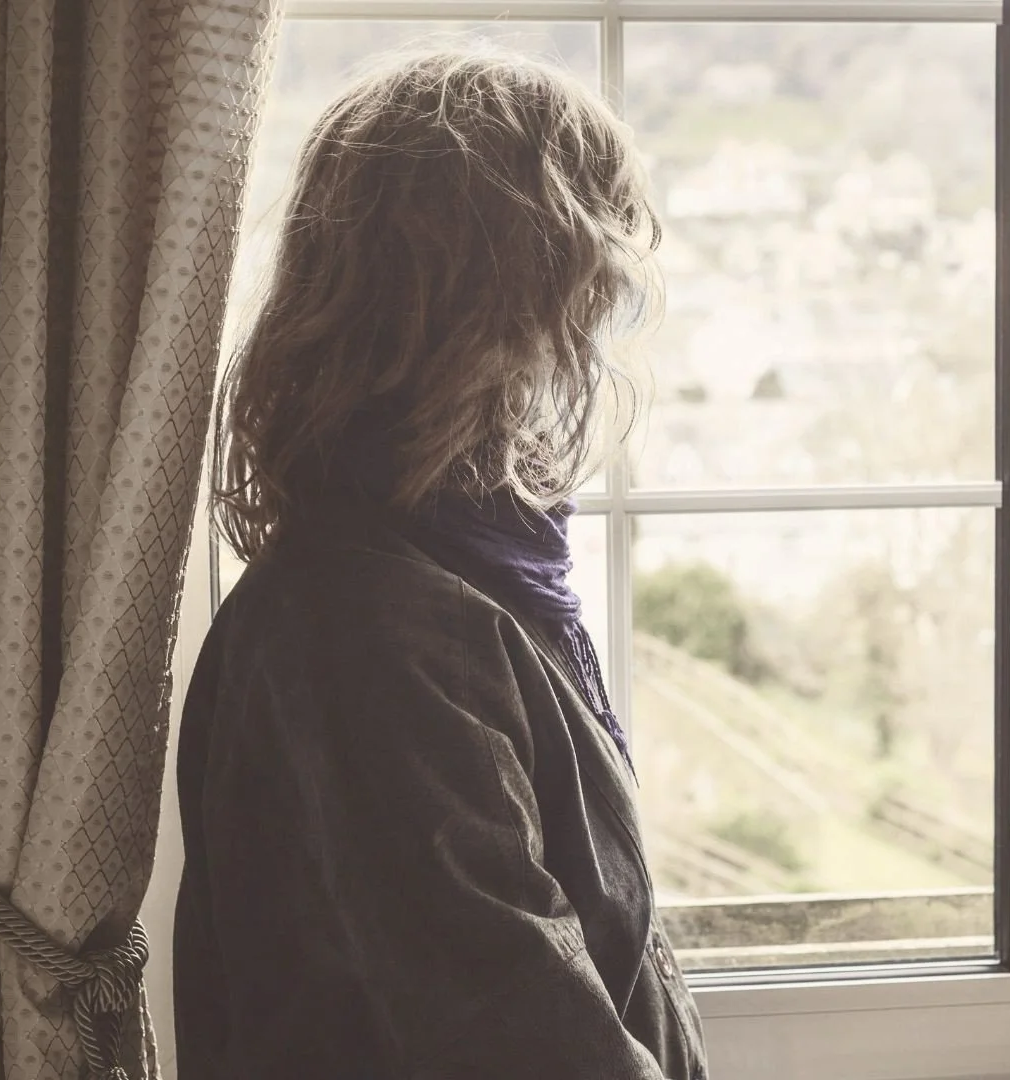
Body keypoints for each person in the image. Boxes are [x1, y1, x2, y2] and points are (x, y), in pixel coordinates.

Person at [172, 46, 706, 1078]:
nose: (600, 319)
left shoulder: (451, 580)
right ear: (500, 300)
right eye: (588, 275)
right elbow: (524, 1035)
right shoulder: (373, 630)